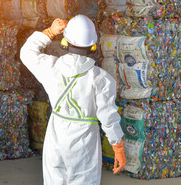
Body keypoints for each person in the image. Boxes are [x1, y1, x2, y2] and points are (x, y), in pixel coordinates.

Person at [20, 14, 126, 185]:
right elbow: (108, 118)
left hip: (56, 138)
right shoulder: (100, 79)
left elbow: (27, 53)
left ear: (65, 42)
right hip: (84, 142)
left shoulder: (50, 68)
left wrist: (49, 32)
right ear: (93, 45)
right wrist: (118, 148)